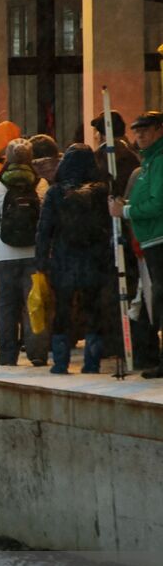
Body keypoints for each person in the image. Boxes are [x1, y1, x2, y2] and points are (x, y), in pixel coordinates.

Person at [37, 146, 112, 373]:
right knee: (92, 310)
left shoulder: (55, 192)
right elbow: (109, 227)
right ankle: (92, 362)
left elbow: (44, 230)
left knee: (62, 310)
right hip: (93, 259)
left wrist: (40, 261)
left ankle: (60, 362)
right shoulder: (101, 192)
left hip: (63, 260)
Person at [0, 140, 47, 366]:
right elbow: (45, 221)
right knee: (35, 303)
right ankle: (37, 352)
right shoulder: (40, 184)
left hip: (5, 255)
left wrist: (3, 239)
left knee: (7, 305)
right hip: (34, 254)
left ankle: (7, 354)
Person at [111, 111, 163, 378]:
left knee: (160, 300)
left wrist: (127, 212)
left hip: (159, 239)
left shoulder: (159, 161)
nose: (140, 135)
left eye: (146, 130)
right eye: (137, 131)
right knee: (156, 300)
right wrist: (126, 206)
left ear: (159, 131)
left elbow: (158, 203)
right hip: (150, 241)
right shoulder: (148, 163)